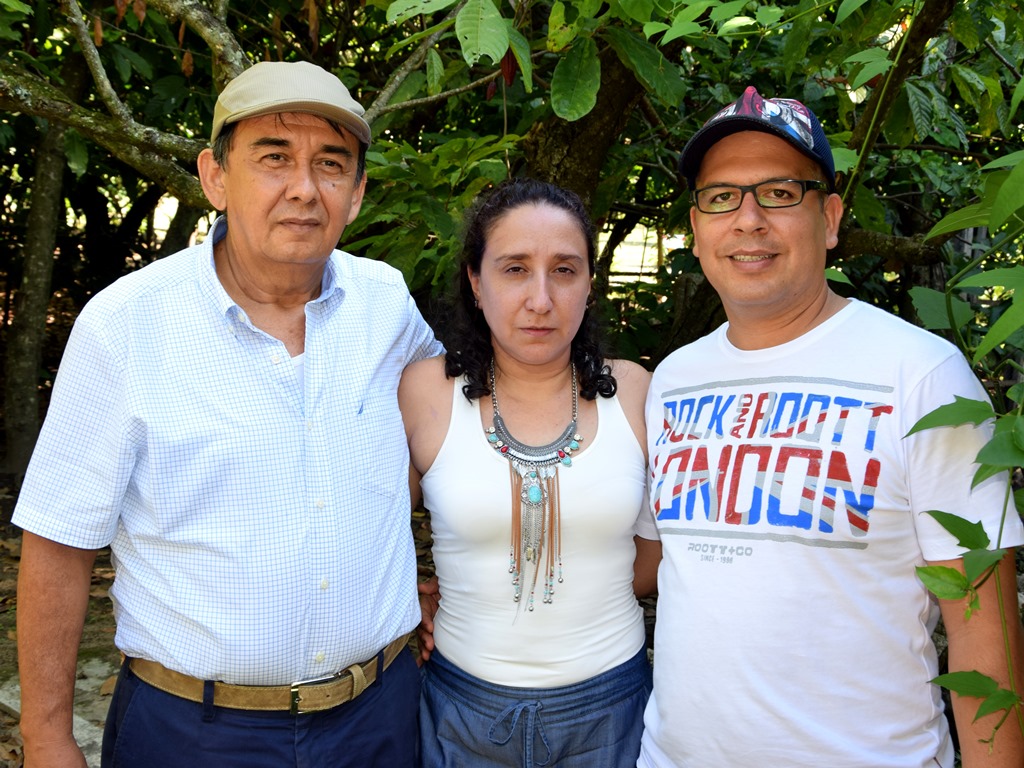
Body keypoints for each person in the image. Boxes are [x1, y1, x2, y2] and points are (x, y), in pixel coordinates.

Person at [14, 60, 442, 768]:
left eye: (330, 164)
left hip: (379, 719)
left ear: (358, 192)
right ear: (215, 176)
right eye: (274, 158)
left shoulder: (386, 303)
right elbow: (59, 541)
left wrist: (416, 576)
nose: (304, 188)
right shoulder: (126, 326)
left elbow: (442, 435)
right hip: (193, 732)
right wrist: (47, 738)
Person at [640, 85, 1024, 767]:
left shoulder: (925, 375)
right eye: (722, 196)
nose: (749, 220)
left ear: (831, 218)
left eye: (781, 193)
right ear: (697, 228)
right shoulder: (673, 380)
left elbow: (982, 628)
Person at [399, 177, 661, 767]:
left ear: (591, 283)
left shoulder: (639, 395)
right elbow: (369, 527)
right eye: (515, 268)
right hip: (461, 712)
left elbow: (653, 560)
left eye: (564, 270)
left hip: (611, 709)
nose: (540, 299)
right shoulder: (424, 393)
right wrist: (404, 601)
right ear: (475, 280)